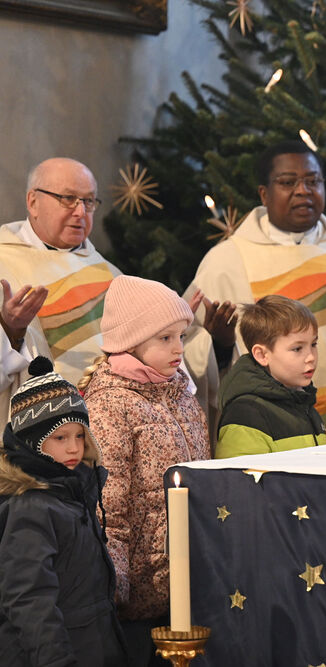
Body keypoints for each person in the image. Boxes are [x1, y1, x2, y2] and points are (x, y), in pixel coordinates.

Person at [0, 157, 232, 427]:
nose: (80, 212)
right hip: (56, 429)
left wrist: (168, 328)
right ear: (33, 202)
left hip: (122, 420)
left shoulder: (109, 273)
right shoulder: (5, 264)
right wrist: (10, 330)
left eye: (88, 201)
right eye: (68, 199)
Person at [186, 140, 326, 424]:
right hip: (259, 428)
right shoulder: (226, 262)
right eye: (288, 182)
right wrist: (219, 345)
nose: (303, 190)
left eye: (313, 181)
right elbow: (181, 350)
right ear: (264, 194)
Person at [78, 276, 210, 666]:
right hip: (137, 595)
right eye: (165, 338)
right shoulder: (110, 404)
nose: (178, 348)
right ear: (131, 343)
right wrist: (114, 588)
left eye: (180, 336)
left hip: (187, 580)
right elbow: (108, 508)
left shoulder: (181, 394)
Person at [0, 356, 127, 667]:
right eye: (60, 438)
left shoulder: (73, 492)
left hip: (93, 646)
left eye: (79, 435)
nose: (74, 448)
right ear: (32, 442)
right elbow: (30, 600)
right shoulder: (30, 506)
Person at [215, 295, 326, 458]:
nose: (311, 357)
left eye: (313, 344)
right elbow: (240, 473)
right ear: (262, 355)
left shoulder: (303, 403)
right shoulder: (246, 415)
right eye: (297, 349)